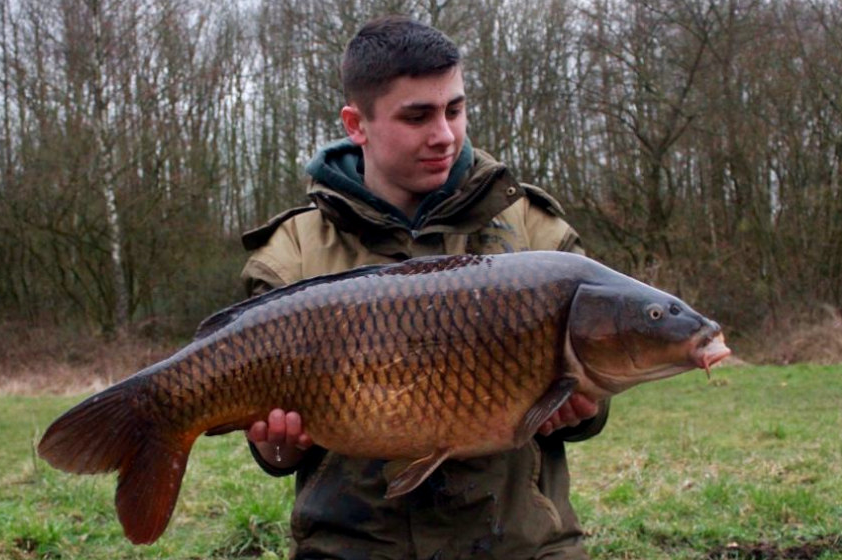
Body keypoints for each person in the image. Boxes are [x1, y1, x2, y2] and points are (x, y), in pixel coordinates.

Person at [240, 15, 609, 560]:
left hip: (523, 547)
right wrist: (274, 446)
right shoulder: (293, 252)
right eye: (417, 116)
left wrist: (585, 408)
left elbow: (596, 389)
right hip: (353, 549)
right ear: (356, 123)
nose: (444, 134)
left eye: (454, 109)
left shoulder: (534, 231)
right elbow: (275, 452)